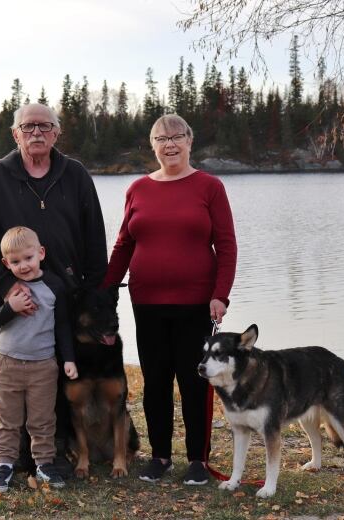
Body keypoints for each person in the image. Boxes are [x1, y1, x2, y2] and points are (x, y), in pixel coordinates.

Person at [0, 103, 108, 476]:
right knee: (22, 374)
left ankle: (58, 450)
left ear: (57, 133)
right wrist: (9, 288)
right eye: (28, 127)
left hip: (70, 294)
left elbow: (95, 236)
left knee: (62, 370)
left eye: (45, 126)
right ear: (15, 134)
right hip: (17, 297)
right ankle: (21, 456)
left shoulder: (74, 174)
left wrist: (95, 291)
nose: (36, 133)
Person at [103, 114, 237, 486]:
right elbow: (123, 244)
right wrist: (104, 289)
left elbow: (225, 245)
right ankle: (160, 457)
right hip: (146, 303)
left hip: (197, 303)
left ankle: (197, 459)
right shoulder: (138, 189)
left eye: (177, 136)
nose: (170, 144)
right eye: (162, 138)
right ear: (153, 146)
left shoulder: (209, 187)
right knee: (156, 381)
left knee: (194, 383)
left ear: (190, 142)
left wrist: (220, 295)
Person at [0, 226, 78, 492]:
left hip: (43, 365)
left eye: (28, 258)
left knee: (42, 419)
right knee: (8, 419)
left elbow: (62, 326)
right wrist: (10, 308)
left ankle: (44, 463)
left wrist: (69, 360)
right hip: (8, 363)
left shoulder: (54, 285)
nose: (23, 266)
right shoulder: (5, 287)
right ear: (6, 263)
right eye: (15, 262)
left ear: (41, 253)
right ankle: (4, 465)